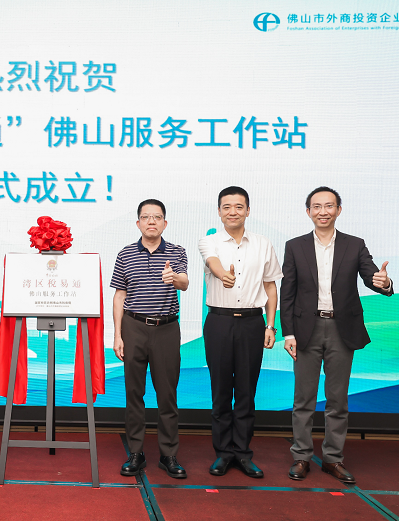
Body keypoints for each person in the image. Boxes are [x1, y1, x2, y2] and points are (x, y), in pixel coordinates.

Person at [281, 187, 393, 484]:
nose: (323, 211)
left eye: (329, 206)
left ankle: (333, 458)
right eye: (317, 206)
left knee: (337, 399)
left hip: (342, 329)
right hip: (306, 330)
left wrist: (384, 282)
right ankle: (301, 456)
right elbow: (287, 293)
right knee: (303, 399)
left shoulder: (355, 245)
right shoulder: (295, 246)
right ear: (308, 212)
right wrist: (288, 333)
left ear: (338, 210)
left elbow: (372, 277)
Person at [198, 187, 282, 478]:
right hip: (219, 323)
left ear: (248, 210)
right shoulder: (209, 241)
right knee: (221, 391)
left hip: (252, 323)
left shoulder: (263, 244)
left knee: (246, 391)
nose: (232, 211)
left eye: (238, 206)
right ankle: (223, 453)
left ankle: (243, 453)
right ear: (219, 211)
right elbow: (213, 263)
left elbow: (270, 286)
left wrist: (270, 325)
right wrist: (224, 275)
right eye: (226, 207)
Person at [111, 199, 189, 479]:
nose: (151, 221)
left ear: (165, 223)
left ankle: (169, 454)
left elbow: (185, 283)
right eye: (146, 217)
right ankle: (136, 452)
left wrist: (173, 278)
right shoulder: (125, 254)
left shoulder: (177, 252)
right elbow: (119, 295)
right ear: (138, 223)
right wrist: (118, 335)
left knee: (167, 394)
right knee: (134, 393)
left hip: (166, 329)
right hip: (133, 327)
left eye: (157, 217)